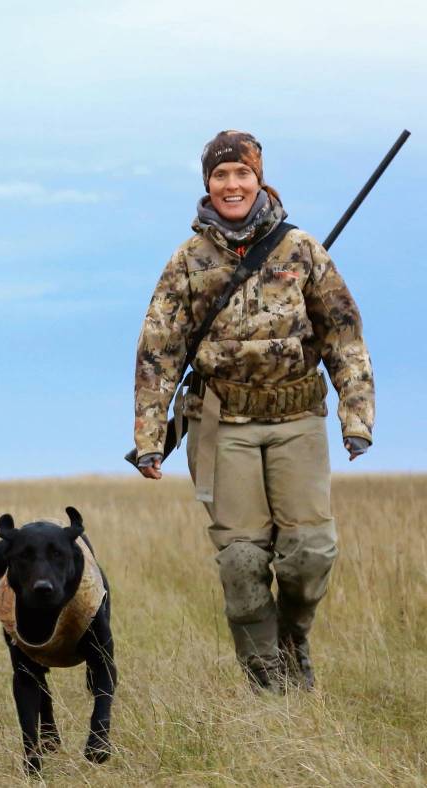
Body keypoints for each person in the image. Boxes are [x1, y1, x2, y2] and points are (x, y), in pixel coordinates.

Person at [132, 130, 374, 692]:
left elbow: (345, 338)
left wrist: (356, 418)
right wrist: (149, 437)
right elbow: (157, 353)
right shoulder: (187, 261)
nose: (232, 185)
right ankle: (269, 687)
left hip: (297, 421)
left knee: (310, 553)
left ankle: (293, 638)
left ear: (258, 178)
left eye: (242, 173)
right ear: (207, 185)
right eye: (221, 176)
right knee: (241, 563)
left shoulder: (303, 249)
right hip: (221, 424)